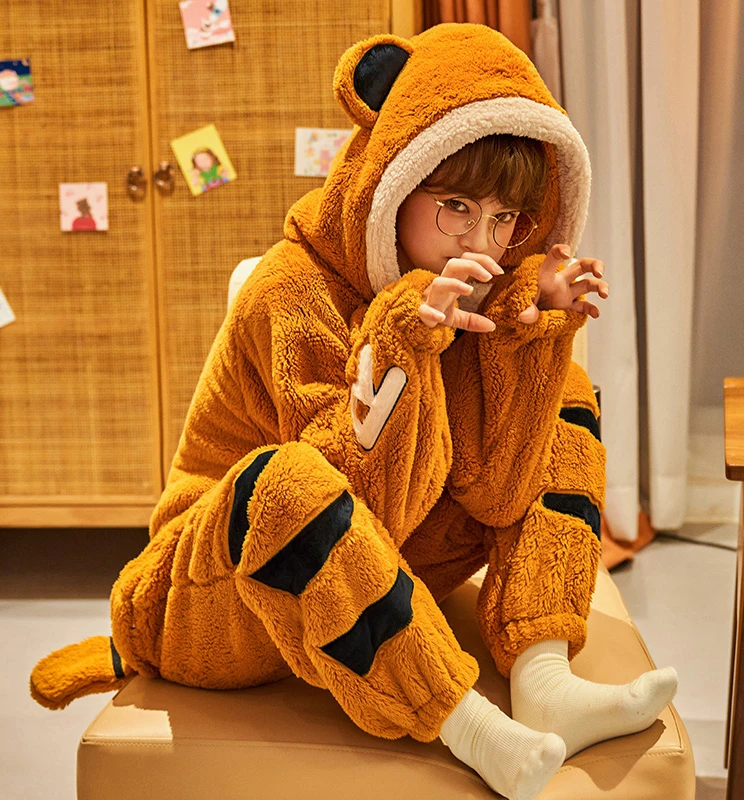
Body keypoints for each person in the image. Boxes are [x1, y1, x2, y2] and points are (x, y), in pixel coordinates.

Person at [31, 23, 677, 800]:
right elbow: (354, 502)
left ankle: (545, 682)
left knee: (565, 391)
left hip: (376, 563)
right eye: (456, 207)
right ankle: (470, 728)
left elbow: (497, 493)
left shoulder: (479, 287)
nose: (483, 243)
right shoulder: (290, 289)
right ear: (394, 182)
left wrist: (528, 339)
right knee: (285, 480)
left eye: (507, 218)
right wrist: (404, 342)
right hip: (212, 590)